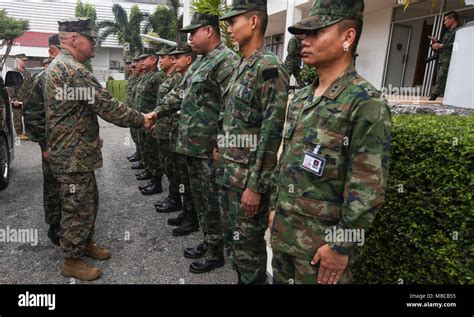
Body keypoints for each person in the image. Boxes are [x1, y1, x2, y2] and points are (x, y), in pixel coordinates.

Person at [270, 0, 392, 285]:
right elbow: (288, 160)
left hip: (319, 254)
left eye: (316, 33)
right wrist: (275, 209)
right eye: (303, 35)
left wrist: (340, 247)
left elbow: (367, 191)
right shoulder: (301, 98)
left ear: (347, 37)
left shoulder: (365, 103)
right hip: (284, 239)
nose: (304, 41)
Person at [43, 17, 157, 281]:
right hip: (72, 156)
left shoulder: (61, 66)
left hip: (75, 151)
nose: (94, 44)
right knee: (76, 206)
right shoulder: (72, 70)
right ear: (74, 40)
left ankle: (84, 243)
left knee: (87, 201)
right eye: (91, 39)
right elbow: (107, 106)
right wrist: (142, 119)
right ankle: (71, 260)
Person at [152, 13, 239, 273]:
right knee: (200, 200)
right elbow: (180, 94)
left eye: (194, 32)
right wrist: (156, 113)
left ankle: (216, 252)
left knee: (211, 202)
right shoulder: (201, 62)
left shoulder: (226, 61)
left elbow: (231, 107)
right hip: (191, 146)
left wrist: (221, 144)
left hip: (207, 150)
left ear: (210, 31)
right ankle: (209, 240)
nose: (189, 38)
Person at [218, 0, 289, 284]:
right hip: (229, 174)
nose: (229, 28)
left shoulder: (269, 67)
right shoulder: (241, 65)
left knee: (249, 251)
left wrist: (256, 186)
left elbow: (272, 132)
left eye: (234, 22)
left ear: (254, 22)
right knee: (235, 247)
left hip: (247, 182)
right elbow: (232, 118)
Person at [154, 44, 200, 237]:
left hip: (196, 140)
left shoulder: (194, 75)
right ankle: (187, 213)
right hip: (182, 136)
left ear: (188, 59)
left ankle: (193, 219)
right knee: (183, 177)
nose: (173, 60)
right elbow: (174, 101)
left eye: (177, 57)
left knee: (190, 181)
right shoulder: (186, 78)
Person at [23, 34, 62, 246]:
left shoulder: (69, 76)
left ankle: (71, 223)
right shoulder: (42, 79)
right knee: (53, 186)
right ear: (52, 52)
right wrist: (44, 144)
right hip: (52, 146)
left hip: (70, 147)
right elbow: (32, 115)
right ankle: (54, 225)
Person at [134, 50, 166, 195]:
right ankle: (150, 175)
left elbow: (161, 101)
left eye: (144, 59)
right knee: (146, 150)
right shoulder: (146, 76)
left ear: (153, 60)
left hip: (151, 121)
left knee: (153, 152)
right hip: (142, 120)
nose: (140, 62)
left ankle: (156, 182)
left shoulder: (158, 77)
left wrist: (156, 122)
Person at [429, 11, 461, 101]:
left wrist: (441, 45)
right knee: (440, 78)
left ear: (452, 19)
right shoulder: (448, 32)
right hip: (443, 59)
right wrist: (437, 42)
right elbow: (445, 44)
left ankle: (433, 97)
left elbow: (457, 44)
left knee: (442, 78)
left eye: (445, 20)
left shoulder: (459, 31)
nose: (444, 22)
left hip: (451, 60)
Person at [8, 53, 32, 141]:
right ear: (17, 60)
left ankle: (27, 132)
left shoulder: (27, 73)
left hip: (27, 100)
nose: (25, 62)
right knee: (17, 117)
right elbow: (10, 87)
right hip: (17, 100)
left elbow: (30, 86)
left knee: (28, 116)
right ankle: (19, 133)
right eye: (23, 60)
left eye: (25, 60)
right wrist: (14, 99)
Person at [127, 55, 145, 164]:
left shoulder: (141, 79)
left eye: (135, 66)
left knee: (141, 138)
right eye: (131, 66)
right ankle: (138, 153)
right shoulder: (132, 78)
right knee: (135, 135)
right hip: (132, 110)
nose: (132, 68)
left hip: (140, 112)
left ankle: (142, 157)